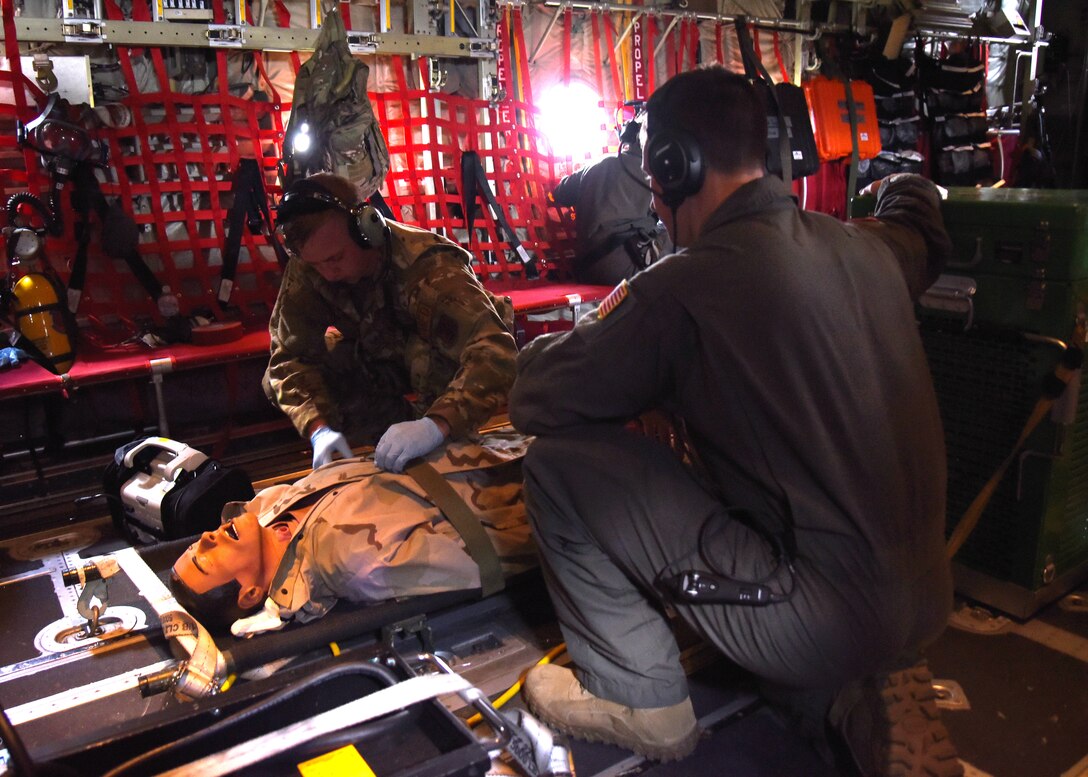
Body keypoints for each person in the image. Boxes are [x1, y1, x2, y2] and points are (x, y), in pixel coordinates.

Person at [509, 66, 962, 777]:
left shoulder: (684, 286)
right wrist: (902, 183)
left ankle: (639, 696)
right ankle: (847, 693)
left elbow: (537, 397)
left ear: (671, 165)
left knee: (557, 465)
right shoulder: (867, 247)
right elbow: (923, 227)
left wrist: (586, 344)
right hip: (928, 593)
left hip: (817, 611)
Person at [265, 172, 518, 472]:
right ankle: (392, 438)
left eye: (335, 258)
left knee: (425, 360)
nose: (328, 273)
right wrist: (318, 430)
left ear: (366, 229)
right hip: (382, 350)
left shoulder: (428, 268)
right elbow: (288, 356)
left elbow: (496, 352)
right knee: (304, 370)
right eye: (316, 264)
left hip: (443, 356)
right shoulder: (313, 264)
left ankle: (444, 443)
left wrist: (435, 425)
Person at [170, 432, 535, 633]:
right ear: (250, 593)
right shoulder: (347, 561)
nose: (205, 538)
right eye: (205, 561)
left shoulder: (270, 506)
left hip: (500, 445)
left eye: (194, 547)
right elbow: (493, 555)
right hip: (532, 482)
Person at [552, 118, 665, 286]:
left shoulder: (597, 164)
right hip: (626, 268)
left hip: (586, 269)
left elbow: (560, 193)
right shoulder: (656, 174)